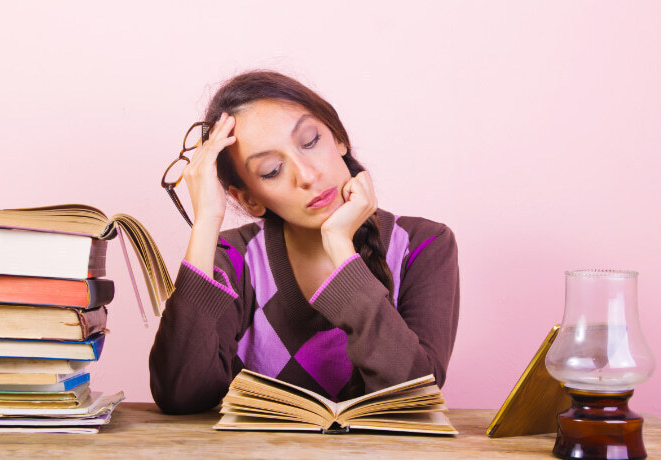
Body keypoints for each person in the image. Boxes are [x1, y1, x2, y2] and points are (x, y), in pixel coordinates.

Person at [150, 70, 459, 414]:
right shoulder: (235, 258)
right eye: (271, 170)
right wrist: (206, 221)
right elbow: (181, 395)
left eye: (310, 141)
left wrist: (341, 249)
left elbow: (413, 397)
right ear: (251, 200)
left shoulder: (423, 245)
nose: (308, 175)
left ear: (339, 137)